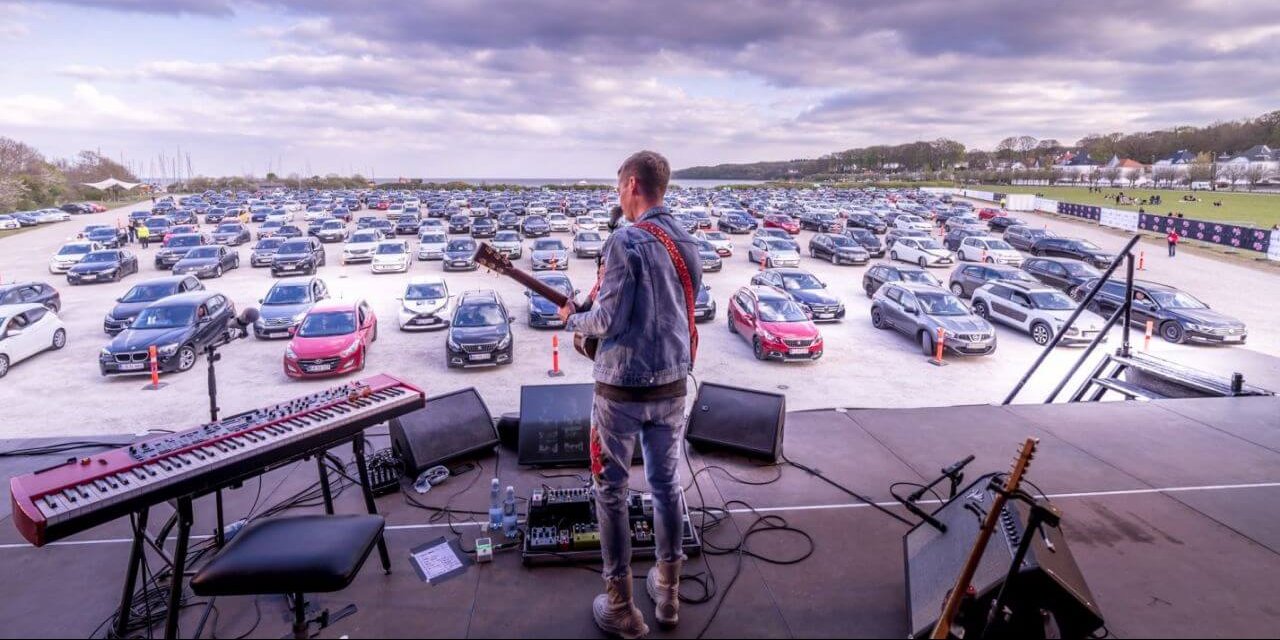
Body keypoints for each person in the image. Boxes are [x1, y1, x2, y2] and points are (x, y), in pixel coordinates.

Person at [557, 151, 701, 638]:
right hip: (673, 387)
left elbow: (607, 320)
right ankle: (669, 594)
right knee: (666, 487)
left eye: (619, 188)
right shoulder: (686, 241)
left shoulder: (625, 240)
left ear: (634, 184)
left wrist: (573, 319)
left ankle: (621, 607)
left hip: (620, 392)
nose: (618, 197)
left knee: (611, 492)